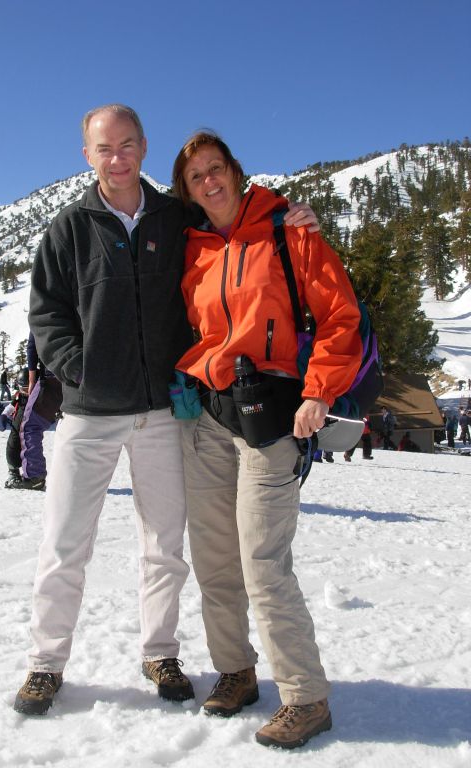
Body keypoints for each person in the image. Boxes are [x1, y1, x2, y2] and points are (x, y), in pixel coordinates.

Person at [13, 102, 325, 717]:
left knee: (164, 544)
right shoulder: (69, 226)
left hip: (162, 411)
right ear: (88, 156)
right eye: (105, 148)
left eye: (128, 144)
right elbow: (46, 312)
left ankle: (160, 652)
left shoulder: (173, 216)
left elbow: (233, 216)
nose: (118, 157)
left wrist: (294, 213)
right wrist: (78, 367)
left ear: (144, 146)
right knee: (64, 543)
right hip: (87, 412)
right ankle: (46, 664)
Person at [172, 131, 363, 749]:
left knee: (262, 561)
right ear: (187, 190)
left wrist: (319, 391)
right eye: (196, 175)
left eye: (216, 168)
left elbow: (339, 315)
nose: (209, 181)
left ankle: (306, 697)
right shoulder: (191, 246)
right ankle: (236, 671)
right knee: (215, 561)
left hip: (271, 418)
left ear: (235, 170)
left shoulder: (287, 229)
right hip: (206, 418)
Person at [5, 332, 63, 491]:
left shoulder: (44, 307)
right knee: (79, 427)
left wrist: (32, 380)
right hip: (86, 373)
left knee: (31, 425)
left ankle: (34, 477)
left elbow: (33, 343)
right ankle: (80, 477)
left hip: (54, 376)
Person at [2, 368, 30, 479]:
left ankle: (32, 474)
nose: (24, 391)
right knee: (12, 445)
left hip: (29, 430)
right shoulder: (19, 396)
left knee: (30, 449)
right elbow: (12, 405)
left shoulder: (36, 398)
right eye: (21, 388)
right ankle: (13, 471)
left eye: (27, 389)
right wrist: (4, 415)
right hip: (16, 427)